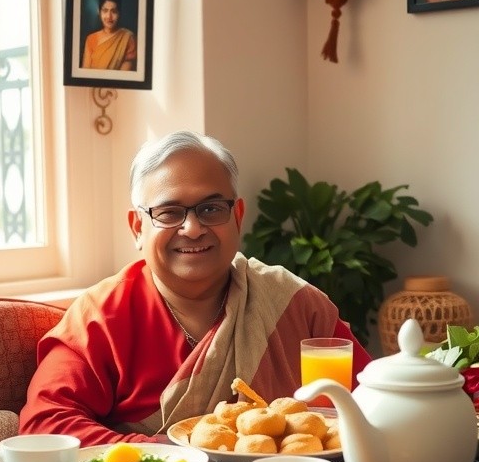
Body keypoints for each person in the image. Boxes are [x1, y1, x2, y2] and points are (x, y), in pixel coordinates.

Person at [19, 131, 371, 445]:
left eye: (211, 208)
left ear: (237, 216)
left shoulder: (294, 304)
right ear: (137, 228)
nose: (192, 228)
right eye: (169, 212)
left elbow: (373, 400)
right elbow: (44, 424)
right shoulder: (101, 317)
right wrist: (170, 457)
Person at [82, 0, 137, 70]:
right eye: (105, 10)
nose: (109, 16)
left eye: (114, 11)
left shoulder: (128, 38)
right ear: (99, 11)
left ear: (119, 13)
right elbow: (84, 74)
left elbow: (124, 78)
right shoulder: (91, 39)